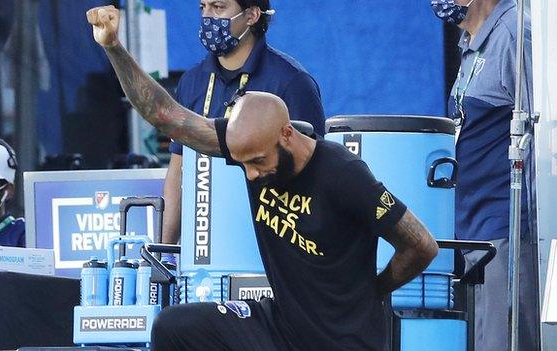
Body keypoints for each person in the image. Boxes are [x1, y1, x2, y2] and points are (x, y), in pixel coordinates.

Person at [88, 6, 438, 350]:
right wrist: (113, 48)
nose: (252, 174)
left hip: (341, 339)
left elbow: (421, 244)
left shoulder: (342, 173)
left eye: (257, 162)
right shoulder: (247, 143)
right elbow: (165, 115)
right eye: (243, 165)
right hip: (280, 324)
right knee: (174, 326)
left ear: (287, 135)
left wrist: (372, 291)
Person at [161, 0, 325, 255]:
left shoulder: (292, 81)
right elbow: (178, 172)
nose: (207, 18)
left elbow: (314, 174)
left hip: (274, 247)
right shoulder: (191, 82)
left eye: (218, 7)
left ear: (251, 15)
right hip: (206, 248)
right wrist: (164, 252)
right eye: (202, 7)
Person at [431, 0, 538, 350]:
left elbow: (545, 131)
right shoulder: (472, 43)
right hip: (472, 232)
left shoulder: (514, 34)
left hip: (506, 230)